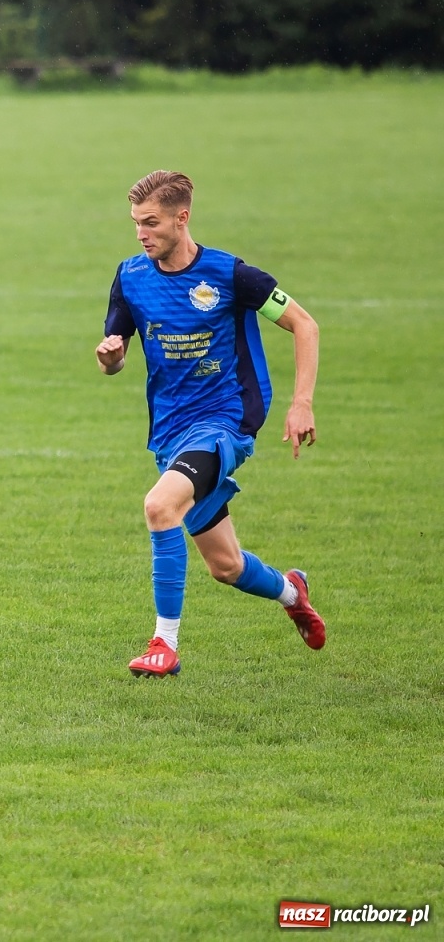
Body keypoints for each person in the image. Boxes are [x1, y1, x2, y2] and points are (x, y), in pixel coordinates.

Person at [96, 171, 326, 678]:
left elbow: (304, 325)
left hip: (225, 423)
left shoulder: (231, 276)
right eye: (136, 223)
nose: (141, 233)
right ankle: (293, 592)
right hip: (170, 434)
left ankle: (164, 644)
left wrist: (301, 401)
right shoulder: (131, 277)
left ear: (183, 218)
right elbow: (113, 359)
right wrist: (109, 356)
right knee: (226, 567)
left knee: (160, 506)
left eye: (151, 223)